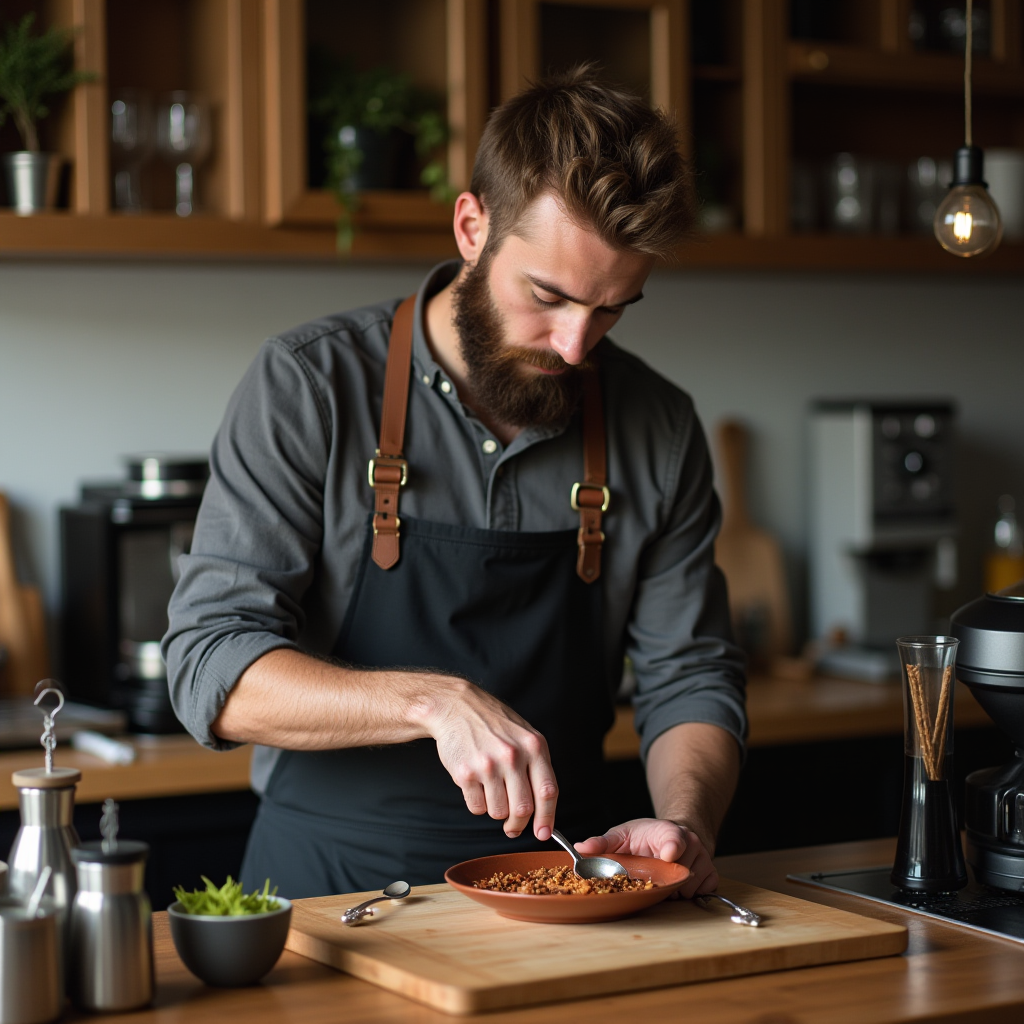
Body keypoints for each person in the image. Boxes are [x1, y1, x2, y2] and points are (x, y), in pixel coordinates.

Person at [163, 67, 746, 900]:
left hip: (560, 887)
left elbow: (690, 674)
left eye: (613, 309)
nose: (578, 346)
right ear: (472, 226)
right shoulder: (309, 385)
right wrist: (432, 702)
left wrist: (685, 825)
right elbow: (208, 664)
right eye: (548, 295)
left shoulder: (657, 424)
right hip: (328, 886)